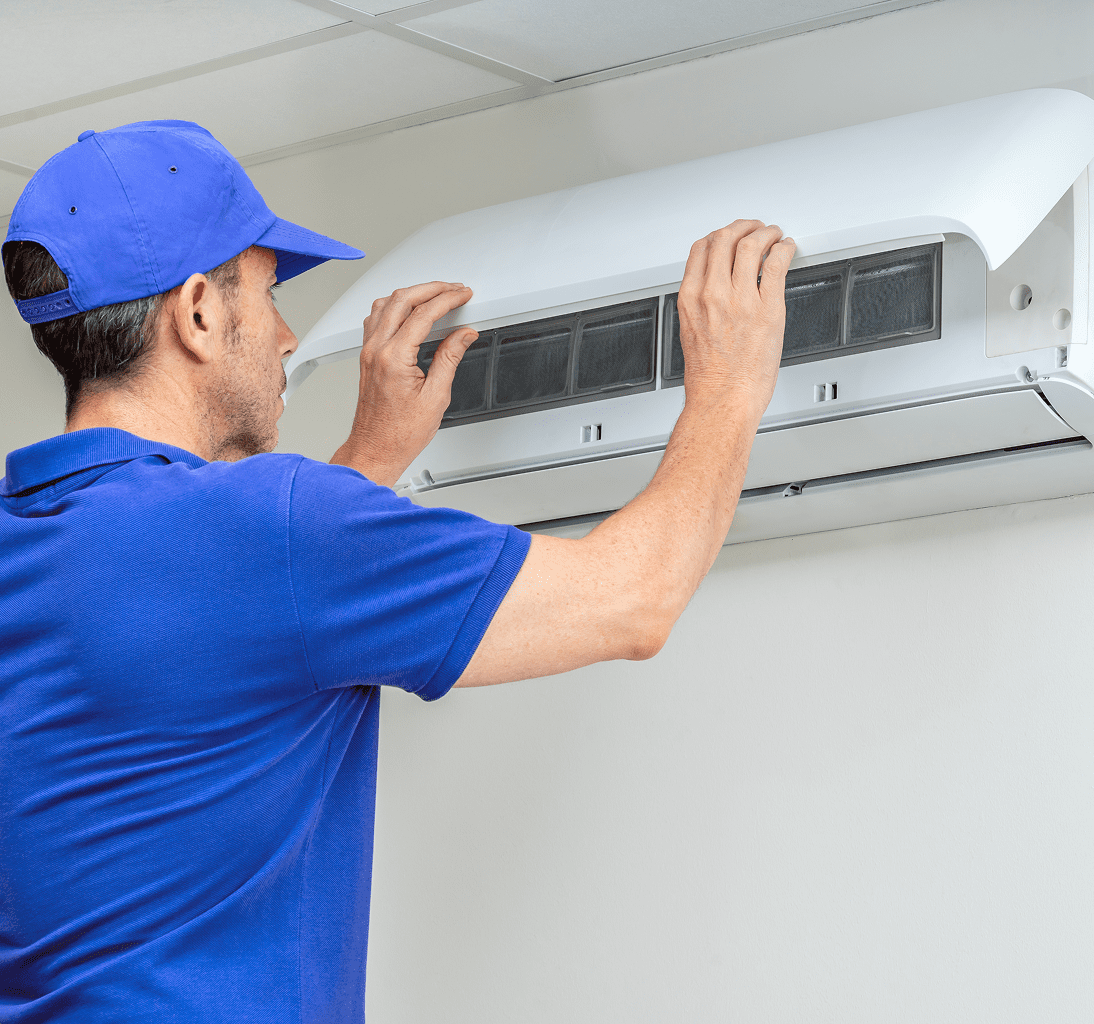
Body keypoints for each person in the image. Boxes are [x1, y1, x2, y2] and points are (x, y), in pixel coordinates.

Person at [0, 120, 795, 1022]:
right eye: (267, 294)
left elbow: (208, 637)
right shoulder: (272, 529)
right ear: (197, 312)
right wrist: (731, 386)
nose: (290, 336)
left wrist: (368, 461)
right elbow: (630, 599)